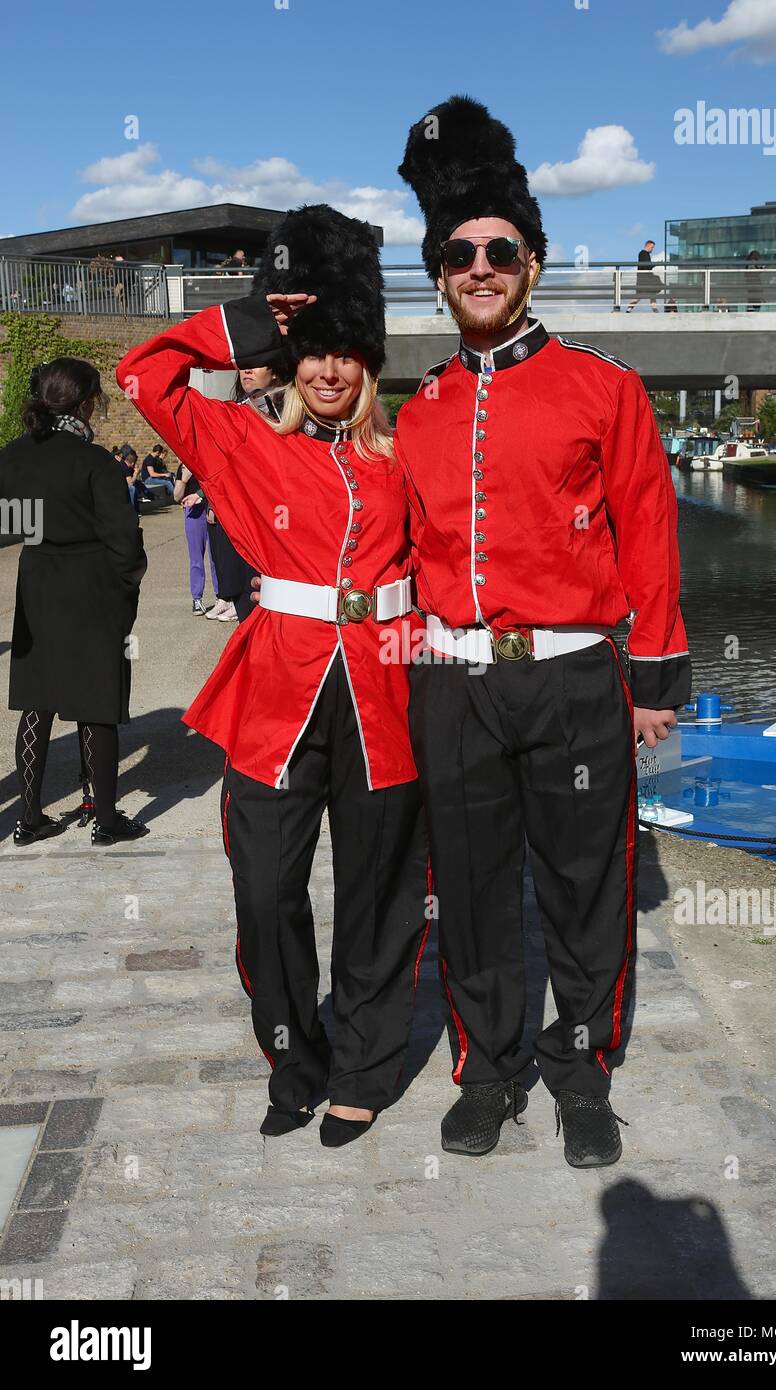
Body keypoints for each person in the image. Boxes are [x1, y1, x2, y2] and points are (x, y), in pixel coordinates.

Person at [396, 96, 691, 1167]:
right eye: (458, 250)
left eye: (499, 249)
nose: (479, 265)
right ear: (437, 269)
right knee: (465, 888)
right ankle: (486, 1067)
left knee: (584, 885)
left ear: (531, 262)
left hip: (573, 681)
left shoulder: (605, 389)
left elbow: (649, 539)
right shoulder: (417, 406)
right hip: (453, 682)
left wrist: (653, 675)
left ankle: (578, 1072)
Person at [117, 204, 429, 1146]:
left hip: (388, 690)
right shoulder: (243, 441)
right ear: (295, 363)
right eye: (316, 352)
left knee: (378, 893)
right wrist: (258, 318)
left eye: (348, 353)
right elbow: (144, 375)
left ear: (370, 365)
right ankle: (295, 1057)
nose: (331, 370)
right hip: (276, 692)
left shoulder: (409, 455)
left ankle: (367, 1067)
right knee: (265, 891)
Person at [0, 358, 148, 846]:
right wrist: (128, 595)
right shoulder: (96, 463)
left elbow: (8, 527)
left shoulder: (14, 455)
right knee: (95, 703)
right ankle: (103, 817)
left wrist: (42, 531)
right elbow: (124, 544)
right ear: (85, 402)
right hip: (93, 586)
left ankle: (28, 817)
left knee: (38, 702)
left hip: (39, 583)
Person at [205, 361, 293, 623]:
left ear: (276, 370)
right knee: (248, 611)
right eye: (243, 365)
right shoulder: (231, 415)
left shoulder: (296, 413)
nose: (246, 370)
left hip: (284, 530)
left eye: (256, 365)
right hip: (242, 527)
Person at [173, 461, 218, 613]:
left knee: (216, 556)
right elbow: (176, 496)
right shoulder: (184, 466)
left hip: (211, 509)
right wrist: (184, 479)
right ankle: (197, 599)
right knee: (196, 557)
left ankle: (222, 596)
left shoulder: (207, 460)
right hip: (193, 512)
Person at [626, 239, 662, 312]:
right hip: (644, 279)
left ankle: (629, 310)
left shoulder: (644, 254)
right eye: (652, 247)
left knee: (644, 295)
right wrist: (655, 264)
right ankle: (655, 310)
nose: (653, 249)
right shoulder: (643, 253)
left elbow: (646, 266)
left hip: (643, 278)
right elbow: (647, 266)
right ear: (648, 246)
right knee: (645, 295)